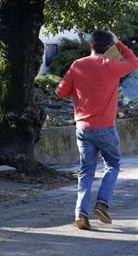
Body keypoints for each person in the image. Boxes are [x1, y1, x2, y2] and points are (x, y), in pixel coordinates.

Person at [56, 30, 138, 230]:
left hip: (83, 128)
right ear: (109, 47)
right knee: (113, 164)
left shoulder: (77, 65)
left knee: (86, 171)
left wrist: (79, 91)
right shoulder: (112, 66)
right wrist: (119, 43)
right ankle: (102, 203)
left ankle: (80, 214)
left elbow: (60, 92)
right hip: (105, 128)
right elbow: (134, 61)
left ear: (89, 45)